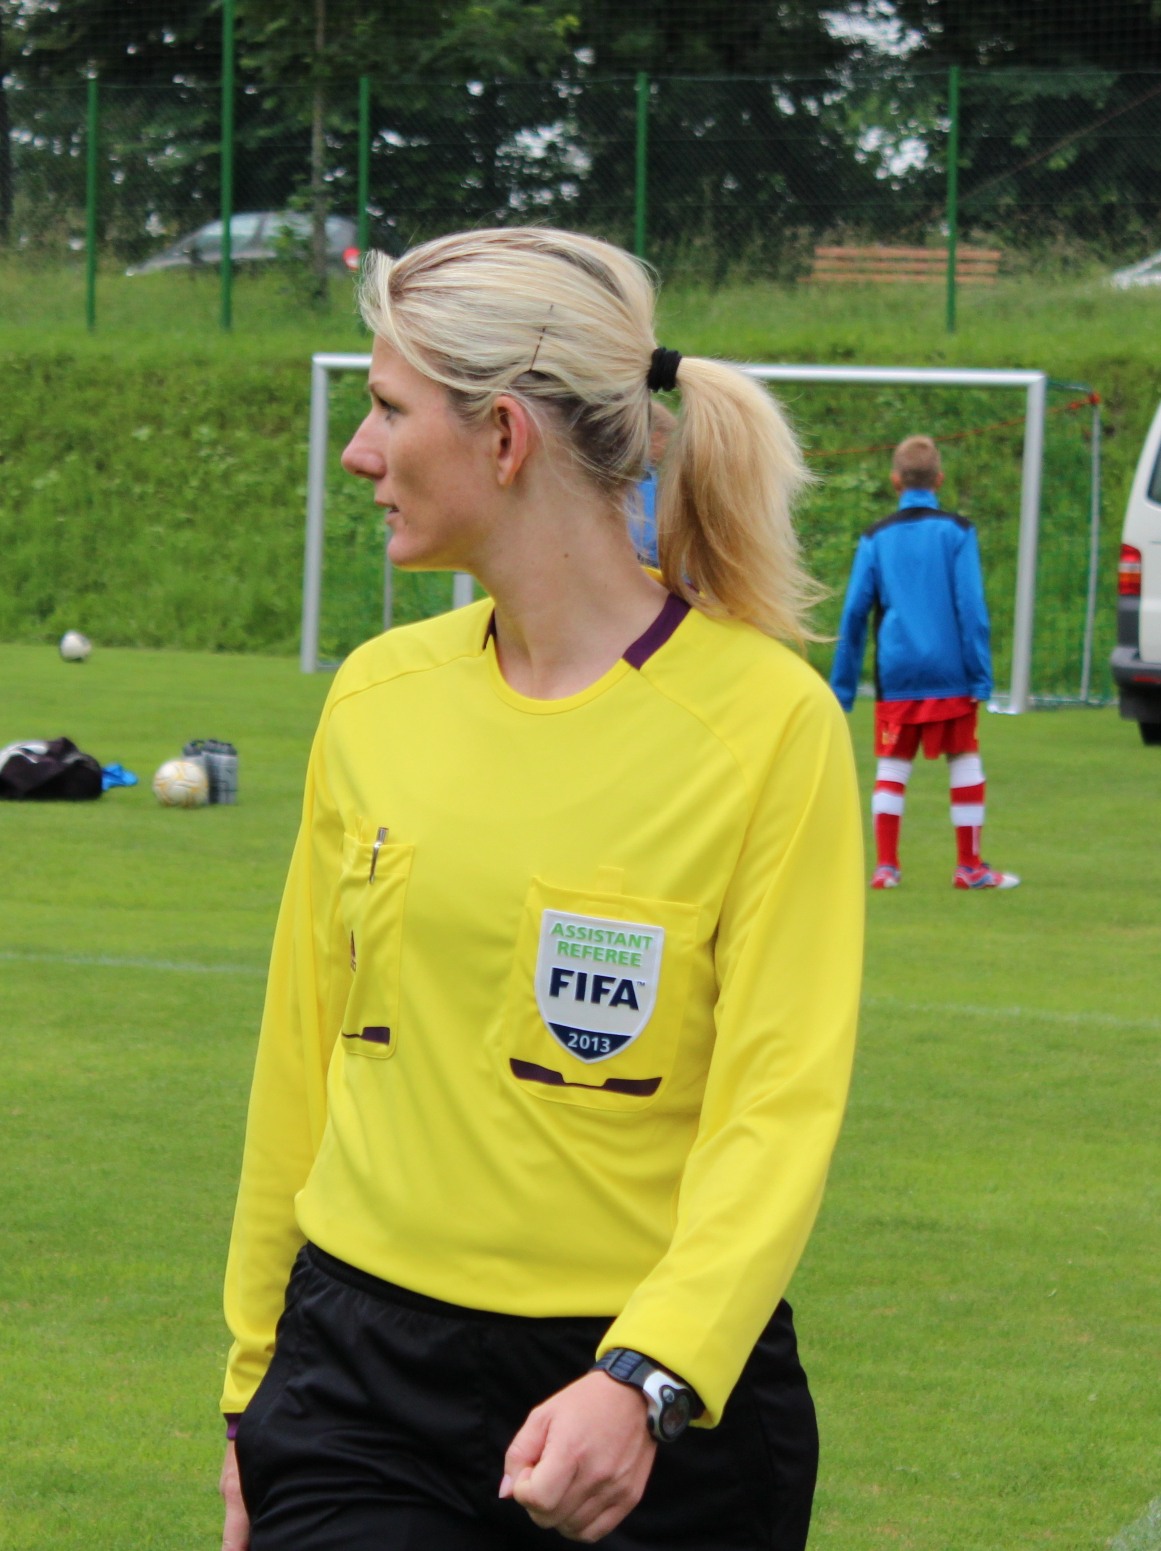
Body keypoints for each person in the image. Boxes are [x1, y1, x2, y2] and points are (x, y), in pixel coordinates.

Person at [219, 226, 864, 1551]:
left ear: (504, 437)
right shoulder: (375, 698)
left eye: (388, 408)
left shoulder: (769, 727)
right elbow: (300, 1060)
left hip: (654, 1405)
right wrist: (252, 1391)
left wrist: (648, 1375)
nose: (358, 450)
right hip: (355, 1387)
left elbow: (776, 1108)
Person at [829, 434, 1020, 891]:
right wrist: (980, 676)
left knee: (892, 764)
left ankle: (886, 868)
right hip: (951, 671)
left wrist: (842, 688)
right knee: (964, 759)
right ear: (940, 479)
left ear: (895, 480)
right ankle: (969, 867)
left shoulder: (875, 537)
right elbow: (971, 609)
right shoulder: (958, 532)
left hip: (897, 673)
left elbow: (854, 613)